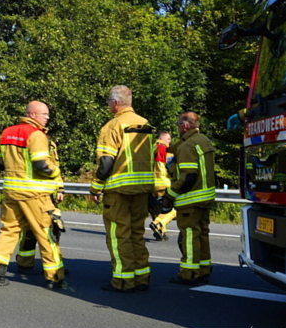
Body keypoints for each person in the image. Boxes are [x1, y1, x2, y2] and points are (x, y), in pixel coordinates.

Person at [0, 101, 65, 288]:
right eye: (44, 114)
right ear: (32, 114)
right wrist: (56, 174)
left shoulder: (6, 132)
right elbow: (42, 165)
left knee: (9, 231)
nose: (47, 117)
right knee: (46, 234)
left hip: (12, 192)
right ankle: (54, 277)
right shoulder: (36, 135)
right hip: (35, 194)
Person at [89, 86, 160, 293]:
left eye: (109, 102)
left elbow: (106, 163)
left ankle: (122, 281)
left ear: (116, 103)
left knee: (119, 235)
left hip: (118, 191)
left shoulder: (113, 126)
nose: (109, 105)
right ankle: (142, 278)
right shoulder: (145, 124)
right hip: (142, 190)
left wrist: (95, 188)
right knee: (137, 233)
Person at [166, 112, 217, 285]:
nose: (178, 127)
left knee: (189, 236)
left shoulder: (188, 145)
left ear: (186, 125)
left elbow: (188, 177)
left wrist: (170, 194)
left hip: (191, 199)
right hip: (205, 197)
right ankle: (203, 270)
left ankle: (189, 273)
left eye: (179, 123)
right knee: (202, 234)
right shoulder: (203, 140)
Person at [149, 131, 176, 241]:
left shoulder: (150, 149)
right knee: (175, 208)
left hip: (150, 185)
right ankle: (159, 223)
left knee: (158, 209)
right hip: (164, 183)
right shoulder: (166, 150)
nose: (170, 142)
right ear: (164, 138)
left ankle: (161, 232)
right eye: (169, 139)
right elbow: (172, 168)